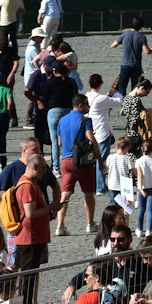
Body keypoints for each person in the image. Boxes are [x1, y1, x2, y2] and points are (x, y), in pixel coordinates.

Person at [13, 150, 55, 304]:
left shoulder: (31, 183)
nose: (45, 172)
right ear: (35, 167)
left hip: (34, 238)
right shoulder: (27, 186)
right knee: (27, 277)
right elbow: (30, 213)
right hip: (29, 238)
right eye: (44, 168)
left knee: (29, 275)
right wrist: (51, 207)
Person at [56, 95, 101, 238]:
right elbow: (91, 138)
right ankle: (90, 223)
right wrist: (99, 157)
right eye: (87, 104)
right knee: (88, 193)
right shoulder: (86, 120)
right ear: (81, 105)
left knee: (65, 194)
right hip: (82, 162)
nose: (88, 107)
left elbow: (59, 143)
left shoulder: (62, 120)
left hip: (66, 160)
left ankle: (59, 226)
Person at [109, 20, 152, 96]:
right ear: (141, 26)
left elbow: (113, 45)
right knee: (135, 88)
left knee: (122, 88)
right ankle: (133, 105)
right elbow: (147, 52)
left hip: (125, 65)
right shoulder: (141, 36)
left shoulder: (124, 34)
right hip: (136, 66)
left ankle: (123, 104)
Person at [133, 138, 152, 237]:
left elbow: (139, 176)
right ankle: (148, 230)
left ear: (142, 148)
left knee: (141, 210)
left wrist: (140, 189)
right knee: (150, 210)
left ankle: (139, 229)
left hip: (142, 188)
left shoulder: (139, 161)